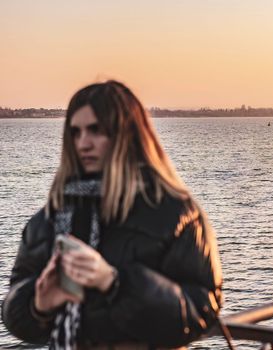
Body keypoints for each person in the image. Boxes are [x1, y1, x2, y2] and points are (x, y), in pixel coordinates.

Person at [1, 81, 223, 349]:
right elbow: (16, 318)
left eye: (96, 131)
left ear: (126, 135)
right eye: (76, 132)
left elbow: (202, 310)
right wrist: (38, 303)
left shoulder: (177, 214)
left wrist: (115, 283)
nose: (84, 143)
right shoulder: (49, 218)